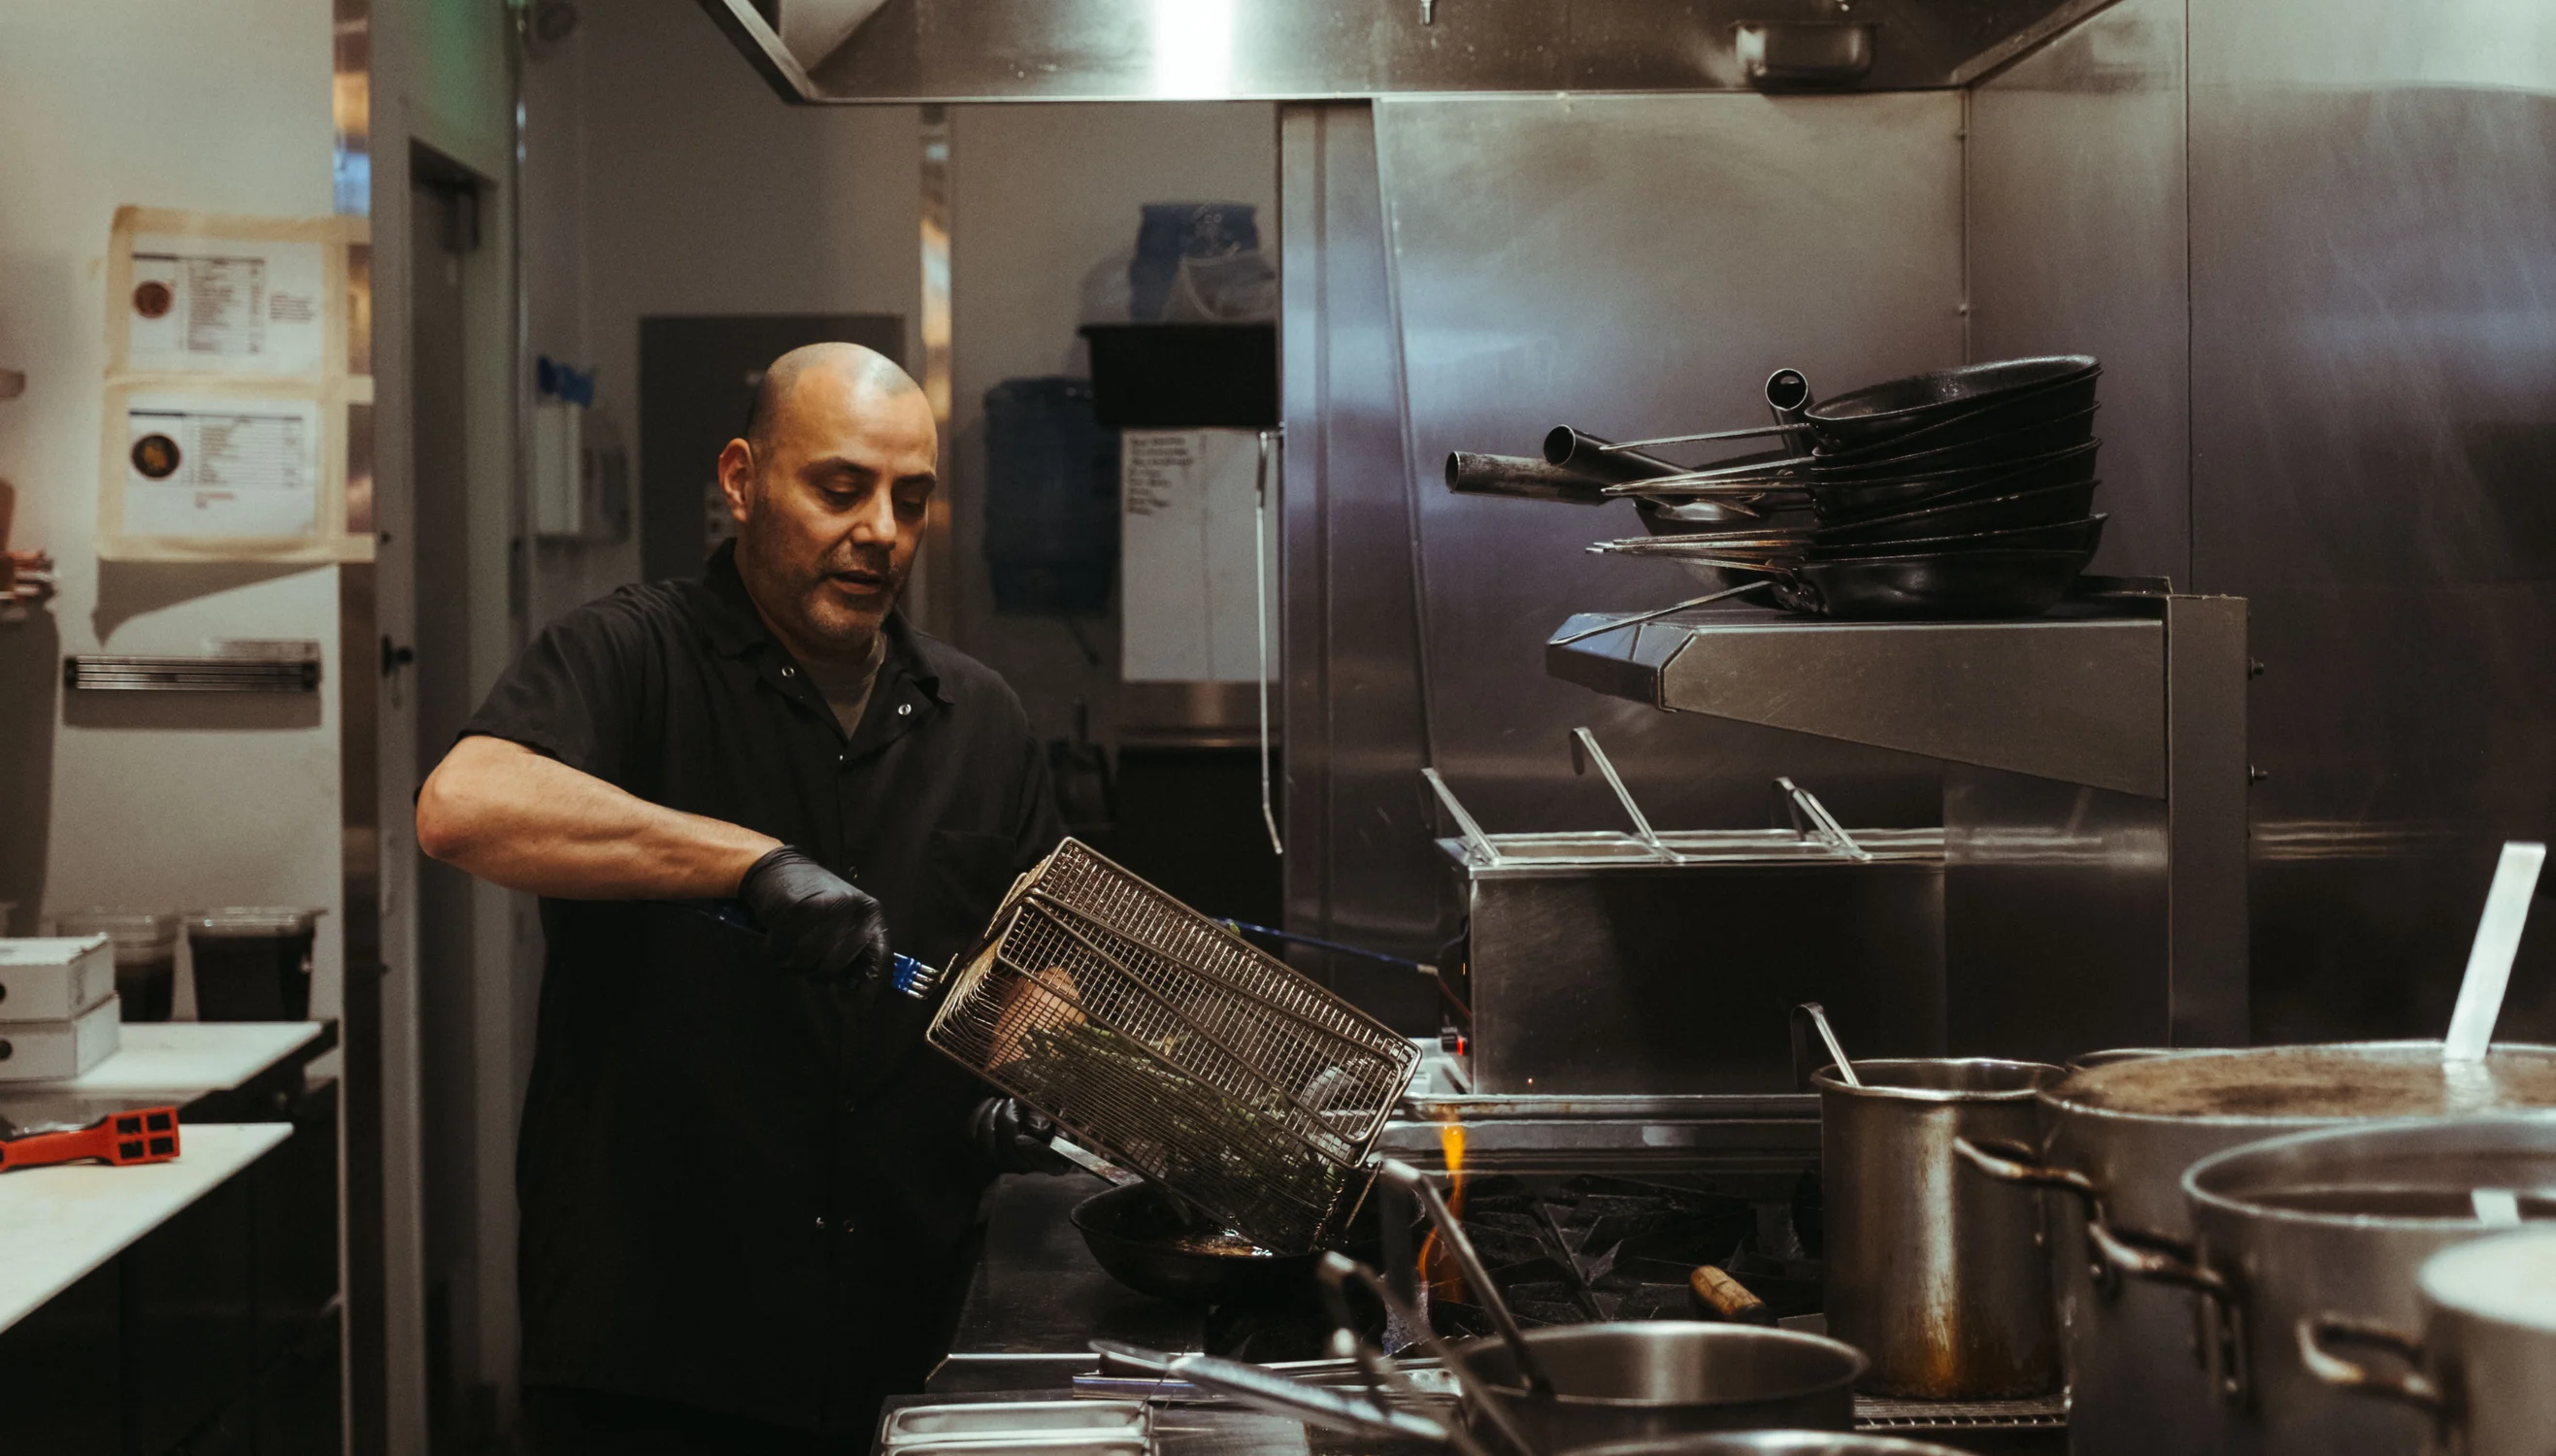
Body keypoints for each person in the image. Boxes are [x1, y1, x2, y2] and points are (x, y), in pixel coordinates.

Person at [416, 343, 1070, 1455]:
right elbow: (464, 804)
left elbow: (1037, 960)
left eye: (909, 501)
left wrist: (1037, 1065)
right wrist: (749, 863)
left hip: (904, 1332)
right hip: (659, 1348)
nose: (879, 532)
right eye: (839, 487)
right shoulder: (630, 653)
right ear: (739, 480)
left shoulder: (982, 716)